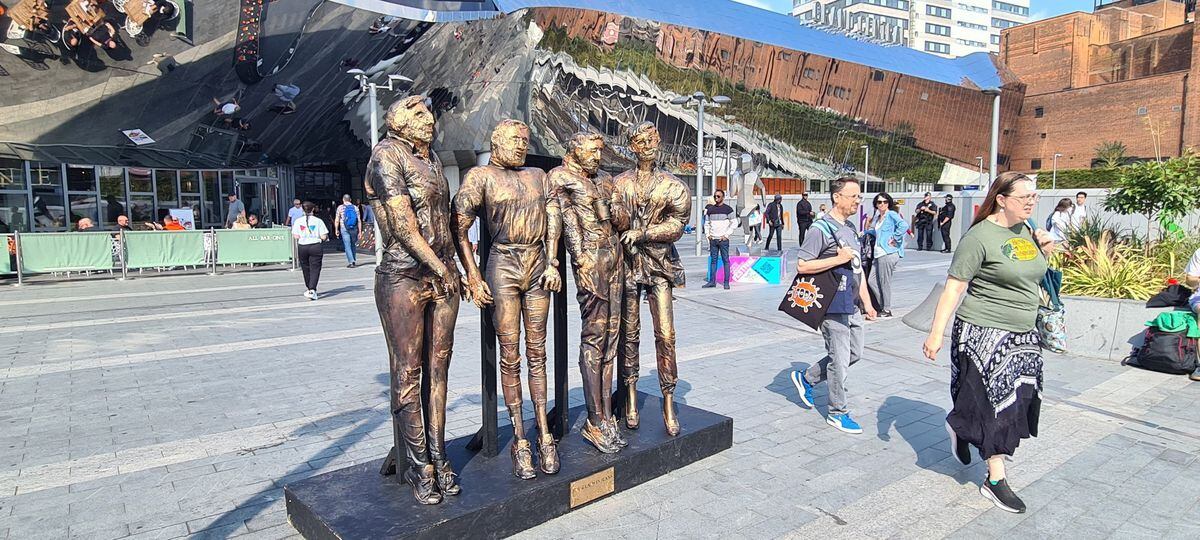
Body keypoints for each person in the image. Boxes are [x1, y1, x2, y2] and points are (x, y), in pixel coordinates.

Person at [922, 172, 1055, 514]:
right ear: (1001, 198)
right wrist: (936, 332)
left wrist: (1046, 251)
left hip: (1024, 333)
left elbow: (1030, 276)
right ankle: (995, 479)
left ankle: (960, 426)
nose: (1030, 202)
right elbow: (954, 286)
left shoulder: (1026, 231)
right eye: (1024, 196)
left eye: (1033, 197)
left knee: (1018, 402)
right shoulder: (978, 237)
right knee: (996, 407)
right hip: (984, 330)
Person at [789, 177, 877, 434]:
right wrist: (837, 258)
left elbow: (856, 268)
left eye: (859, 197)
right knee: (839, 360)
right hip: (831, 303)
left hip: (852, 303)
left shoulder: (850, 228)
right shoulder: (820, 229)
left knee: (854, 354)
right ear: (837, 197)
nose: (858, 201)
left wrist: (868, 303)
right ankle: (838, 412)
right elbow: (803, 265)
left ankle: (807, 378)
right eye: (853, 196)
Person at [867, 193, 907, 317]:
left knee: (884, 281)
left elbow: (904, 225)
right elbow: (877, 232)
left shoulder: (891, 215)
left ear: (888, 203)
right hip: (878, 253)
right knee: (871, 280)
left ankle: (886, 309)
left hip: (888, 253)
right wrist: (865, 232)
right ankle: (882, 305)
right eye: (879, 202)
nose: (882, 204)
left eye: (885, 201)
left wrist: (895, 237)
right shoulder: (878, 217)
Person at [291, 201, 329, 300]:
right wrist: (321, 239)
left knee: (305, 268)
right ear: (313, 209)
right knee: (315, 268)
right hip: (315, 246)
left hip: (302, 246)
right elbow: (324, 236)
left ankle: (309, 288)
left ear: (302, 209)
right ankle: (312, 289)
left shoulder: (298, 221)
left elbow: (295, 235)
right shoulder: (318, 221)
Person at [703, 189, 736, 290]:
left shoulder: (728, 209)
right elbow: (706, 224)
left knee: (726, 260)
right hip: (713, 239)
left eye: (718, 196)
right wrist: (708, 235)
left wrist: (726, 235)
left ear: (723, 197)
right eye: (715, 196)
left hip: (723, 240)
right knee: (713, 261)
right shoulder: (710, 210)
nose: (716, 198)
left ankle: (726, 282)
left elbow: (734, 223)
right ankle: (712, 281)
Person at [335, 194, 360, 268]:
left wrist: (336, 229)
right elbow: (359, 220)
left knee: (347, 245)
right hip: (354, 228)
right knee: (353, 244)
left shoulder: (340, 208)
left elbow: (337, 220)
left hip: (344, 228)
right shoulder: (355, 208)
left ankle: (351, 262)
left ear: (343, 199)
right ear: (350, 200)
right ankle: (354, 260)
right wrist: (360, 231)